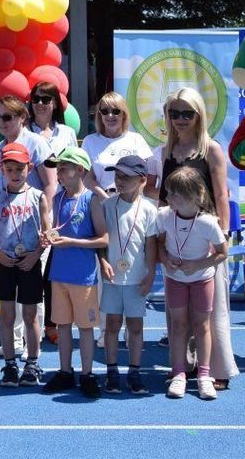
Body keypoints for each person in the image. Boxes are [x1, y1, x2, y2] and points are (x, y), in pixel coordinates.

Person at [147, 87, 239, 389]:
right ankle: (181, 368)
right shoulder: (164, 153)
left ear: (199, 115)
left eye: (187, 113)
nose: (180, 119)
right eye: (174, 113)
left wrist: (221, 234)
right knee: (178, 313)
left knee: (211, 312)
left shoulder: (211, 149)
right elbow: (159, 196)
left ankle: (217, 370)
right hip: (174, 237)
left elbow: (221, 193)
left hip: (206, 238)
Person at [39, 147, 107, 397]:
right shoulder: (57, 198)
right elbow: (57, 229)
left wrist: (72, 243)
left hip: (83, 276)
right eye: (57, 169)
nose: (59, 174)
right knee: (63, 326)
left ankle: (87, 374)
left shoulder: (92, 199)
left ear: (80, 170)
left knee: (85, 327)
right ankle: (65, 372)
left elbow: (104, 238)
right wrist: (49, 237)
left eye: (64, 169)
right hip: (59, 274)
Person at [157, 167, 228, 401]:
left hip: (202, 279)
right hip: (175, 279)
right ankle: (179, 373)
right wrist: (166, 260)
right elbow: (159, 243)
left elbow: (222, 253)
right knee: (178, 326)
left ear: (191, 196)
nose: (167, 198)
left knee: (202, 326)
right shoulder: (165, 215)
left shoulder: (208, 222)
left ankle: (204, 375)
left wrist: (198, 264)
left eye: (173, 193)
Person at [0, 142, 51, 388]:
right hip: (5, 262)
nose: (15, 174)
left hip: (29, 263)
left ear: (29, 167)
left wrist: (35, 255)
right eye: (10, 169)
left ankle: (32, 363)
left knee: (31, 315)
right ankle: (10, 365)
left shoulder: (38, 196)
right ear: (2, 169)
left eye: (20, 169)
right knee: (7, 316)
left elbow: (46, 234)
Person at [97, 155, 158, 396]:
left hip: (137, 279)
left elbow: (151, 245)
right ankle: (112, 372)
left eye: (125, 177)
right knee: (111, 325)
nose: (119, 181)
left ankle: (134, 371)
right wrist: (102, 261)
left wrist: (151, 273)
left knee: (135, 325)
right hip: (111, 278)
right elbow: (101, 241)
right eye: (117, 176)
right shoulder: (107, 206)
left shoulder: (148, 210)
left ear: (142, 180)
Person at [81, 92, 155, 196]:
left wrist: (130, 198)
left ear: (124, 114)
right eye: (105, 111)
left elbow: (147, 176)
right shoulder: (89, 141)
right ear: (99, 114)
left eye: (116, 111)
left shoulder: (136, 139)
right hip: (100, 202)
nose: (110, 115)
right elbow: (85, 177)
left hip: (131, 202)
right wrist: (104, 197)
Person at [0, 96, 56, 204]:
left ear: (22, 117)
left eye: (7, 117)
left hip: (30, 216)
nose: (1, 122)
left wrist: (44, 216)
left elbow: (51, 184)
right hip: (1, 217)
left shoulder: (36, 143)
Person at [28, 81, 78, 157]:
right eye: (36, 99)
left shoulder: (67, 133)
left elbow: (74, 162)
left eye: (46, 99)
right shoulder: (24, 132)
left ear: (55, 104)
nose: (40, 103)